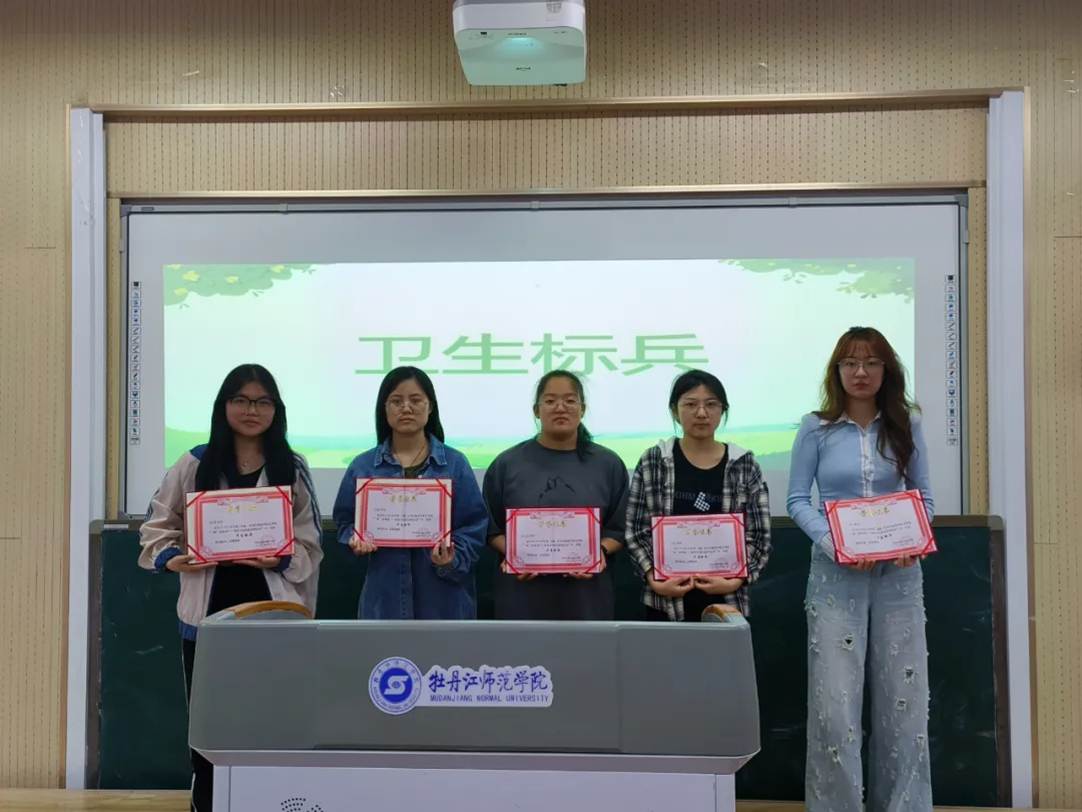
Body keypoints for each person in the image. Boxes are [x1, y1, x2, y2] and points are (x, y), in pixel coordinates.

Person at [138, 364, 323, 812]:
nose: (251, 410)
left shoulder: (291, 467)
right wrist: (172, 557)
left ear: (276, 410)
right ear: (224, 406)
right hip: (208, 619)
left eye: (262, 401)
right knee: (210, 725)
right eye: (241, 400)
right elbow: (156, 525)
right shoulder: (194, 463)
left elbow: (311, 542)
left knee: (273, 719)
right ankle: (208, 802)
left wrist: (280, 557)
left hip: (273, 617)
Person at [786, 326, 934, 812]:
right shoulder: (816, 427)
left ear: (886, 369)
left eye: (871, 362)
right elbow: (796, 500)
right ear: (837, 371)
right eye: (850, 363)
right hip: (835, 577)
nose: (861, 372)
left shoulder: (907, 424)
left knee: (904, 700)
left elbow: (924, 498)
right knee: (835, 705)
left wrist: (913, 540)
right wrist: (836, 545)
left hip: (899, 576)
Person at [332, 366, 487, 619]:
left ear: (430, 406)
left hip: (444, 602)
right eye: (396, 401)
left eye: (416, 400)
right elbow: (344, 523)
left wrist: (451, 557)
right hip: (384, 602)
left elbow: (474, 526)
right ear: (384, 408)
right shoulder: (363, 466)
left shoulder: (455, 464)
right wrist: (354, 539)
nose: (406, 408)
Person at [625, 369, 771, 621]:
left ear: (723, 410)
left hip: (728, 602)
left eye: (711, 404)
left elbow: (760, 535)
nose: (701, 413)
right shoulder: (653, 461)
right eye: (690, 404)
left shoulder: (744, 464)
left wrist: (736, 578)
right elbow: (636, 529)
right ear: (675, 411)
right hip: (665, 601)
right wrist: (653, 577)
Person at [483, 370, 628, 620]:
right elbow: (490, 528)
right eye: (550, 401)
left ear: (582, 409)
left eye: (570, 400)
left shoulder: (608, 464)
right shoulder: (506, 464)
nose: (561, 408)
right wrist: (516, 554)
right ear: (536, 411)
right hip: (522, 597)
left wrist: (599, 553)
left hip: (586, 598)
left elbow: (620, 528)